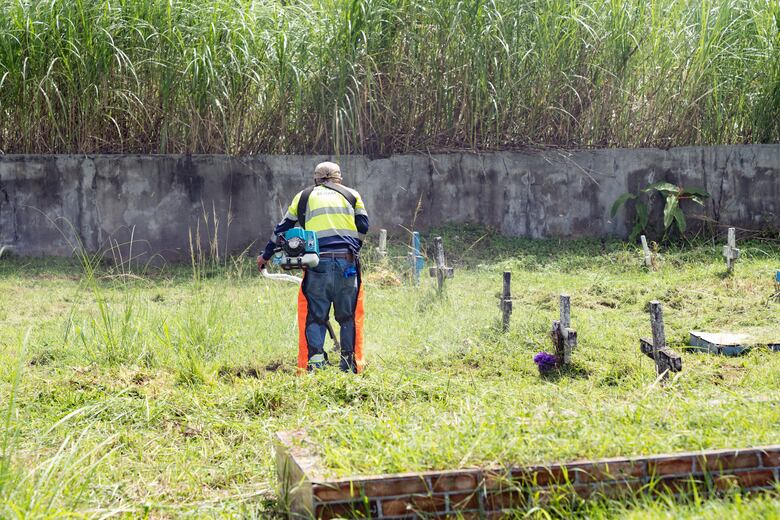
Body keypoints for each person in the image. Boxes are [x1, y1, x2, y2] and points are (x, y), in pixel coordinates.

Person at [257, 162, 369, 373]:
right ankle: (349, 364)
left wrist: (266, 255)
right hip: (347, 264)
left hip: (317, 263)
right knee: (348, 316)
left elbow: (282, 229)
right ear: (339, 178)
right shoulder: (353, 195)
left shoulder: (304, 196)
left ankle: (316, 365)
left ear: (316, 179)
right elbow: (363, 225)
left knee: (316, 316)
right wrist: (354, 248)